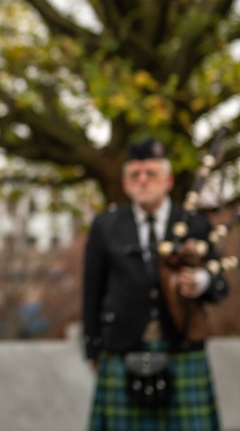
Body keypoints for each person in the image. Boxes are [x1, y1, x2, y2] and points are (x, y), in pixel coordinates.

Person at [83, 138, 230, 430]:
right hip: (123, 348)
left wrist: (202, 281)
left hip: (181, 347)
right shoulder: (106, 225)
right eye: (135, 174)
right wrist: (92, 348)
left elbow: (220, 284)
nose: (143, 180)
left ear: (168, 180)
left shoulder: (194, 223)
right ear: (125, 183)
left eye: (151, 173)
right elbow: (91, 291)